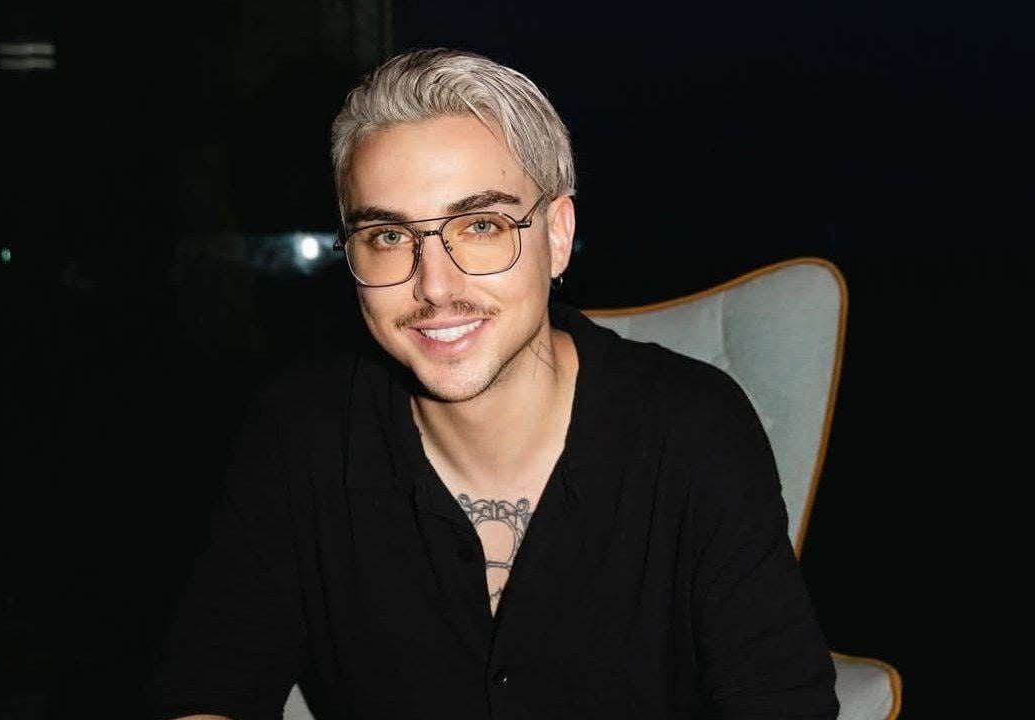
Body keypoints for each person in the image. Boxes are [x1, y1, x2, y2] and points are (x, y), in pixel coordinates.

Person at [141, 47, 840, 720]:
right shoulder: (301, 435)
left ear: (557, 236)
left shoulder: (691, 430)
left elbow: (781, 701)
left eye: (480, 225)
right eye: (388, 236)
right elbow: (211, 687)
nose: (434, 287)